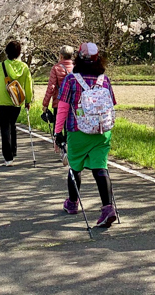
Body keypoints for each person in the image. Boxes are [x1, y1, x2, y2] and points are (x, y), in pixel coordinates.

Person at [54, 42, 118, 227]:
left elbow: (63, 109)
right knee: (100, 168)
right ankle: (108, 208)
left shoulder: (71, 80)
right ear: (98, 59)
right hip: (102, 132)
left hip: (78, 131)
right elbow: (111, 105)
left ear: (79, 59)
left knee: (75, 167)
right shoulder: (104, 80)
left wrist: (58, 132)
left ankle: (72, 203)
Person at [41, 45, 75, 130]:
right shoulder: (76, 68)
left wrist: (45, 104)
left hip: (59, 102)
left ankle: (58, 142)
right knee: (70, 129)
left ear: (61, 56)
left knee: (58, 128)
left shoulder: (56, 68)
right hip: (73, 102)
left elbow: (51, 87)